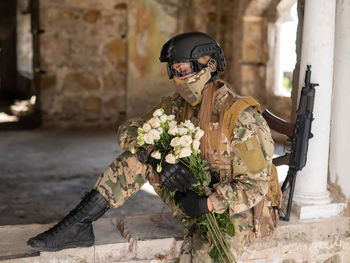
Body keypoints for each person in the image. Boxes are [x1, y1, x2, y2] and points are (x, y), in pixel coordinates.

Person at [27, 32, 281, 262]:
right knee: (135, 159)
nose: (177, 79)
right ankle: (79, 224)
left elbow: (254, 186)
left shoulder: (241, 118)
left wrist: (208, 205)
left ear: (208, 65)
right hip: (188, 194)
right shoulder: (178, 107)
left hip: (232, 212)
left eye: (182, 70)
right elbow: (128, 129)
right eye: (173, 71)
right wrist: (153, 155)